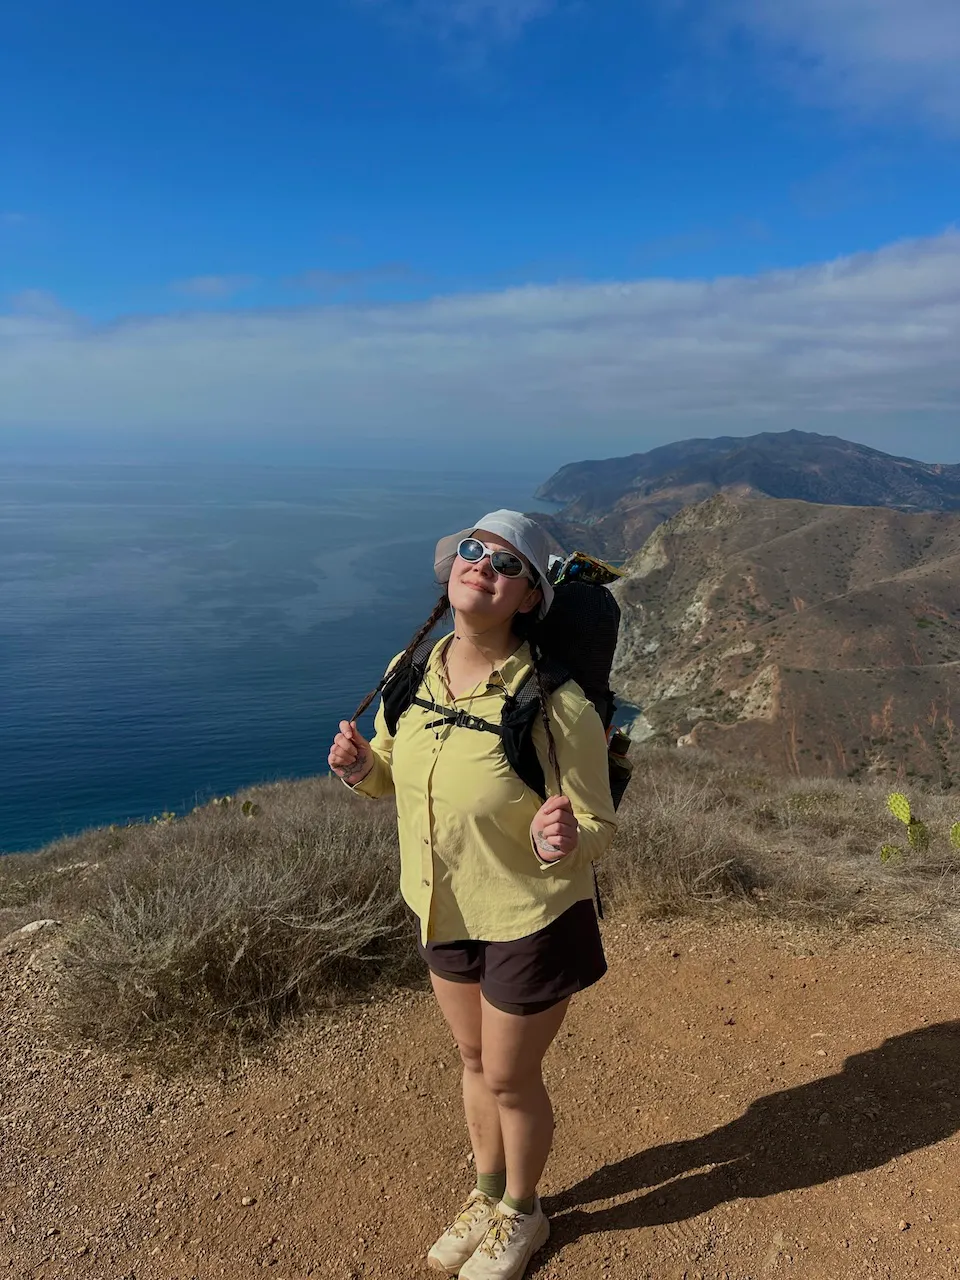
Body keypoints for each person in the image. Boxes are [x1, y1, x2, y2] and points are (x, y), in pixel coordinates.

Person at [328, 510, 617, 1280]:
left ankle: (523, 1212)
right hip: (441, 904)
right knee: (470, 1057)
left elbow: (598, 823)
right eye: (472, 550)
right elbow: (392, 773)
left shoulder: (558, 706)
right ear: (450, 567)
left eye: (506, 563)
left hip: (530, 916)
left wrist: (566, 839)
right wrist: (361, 771)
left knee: (510, 1076)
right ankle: (486, 1193)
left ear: (529, 598)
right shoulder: (410, 670)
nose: (482, 565)